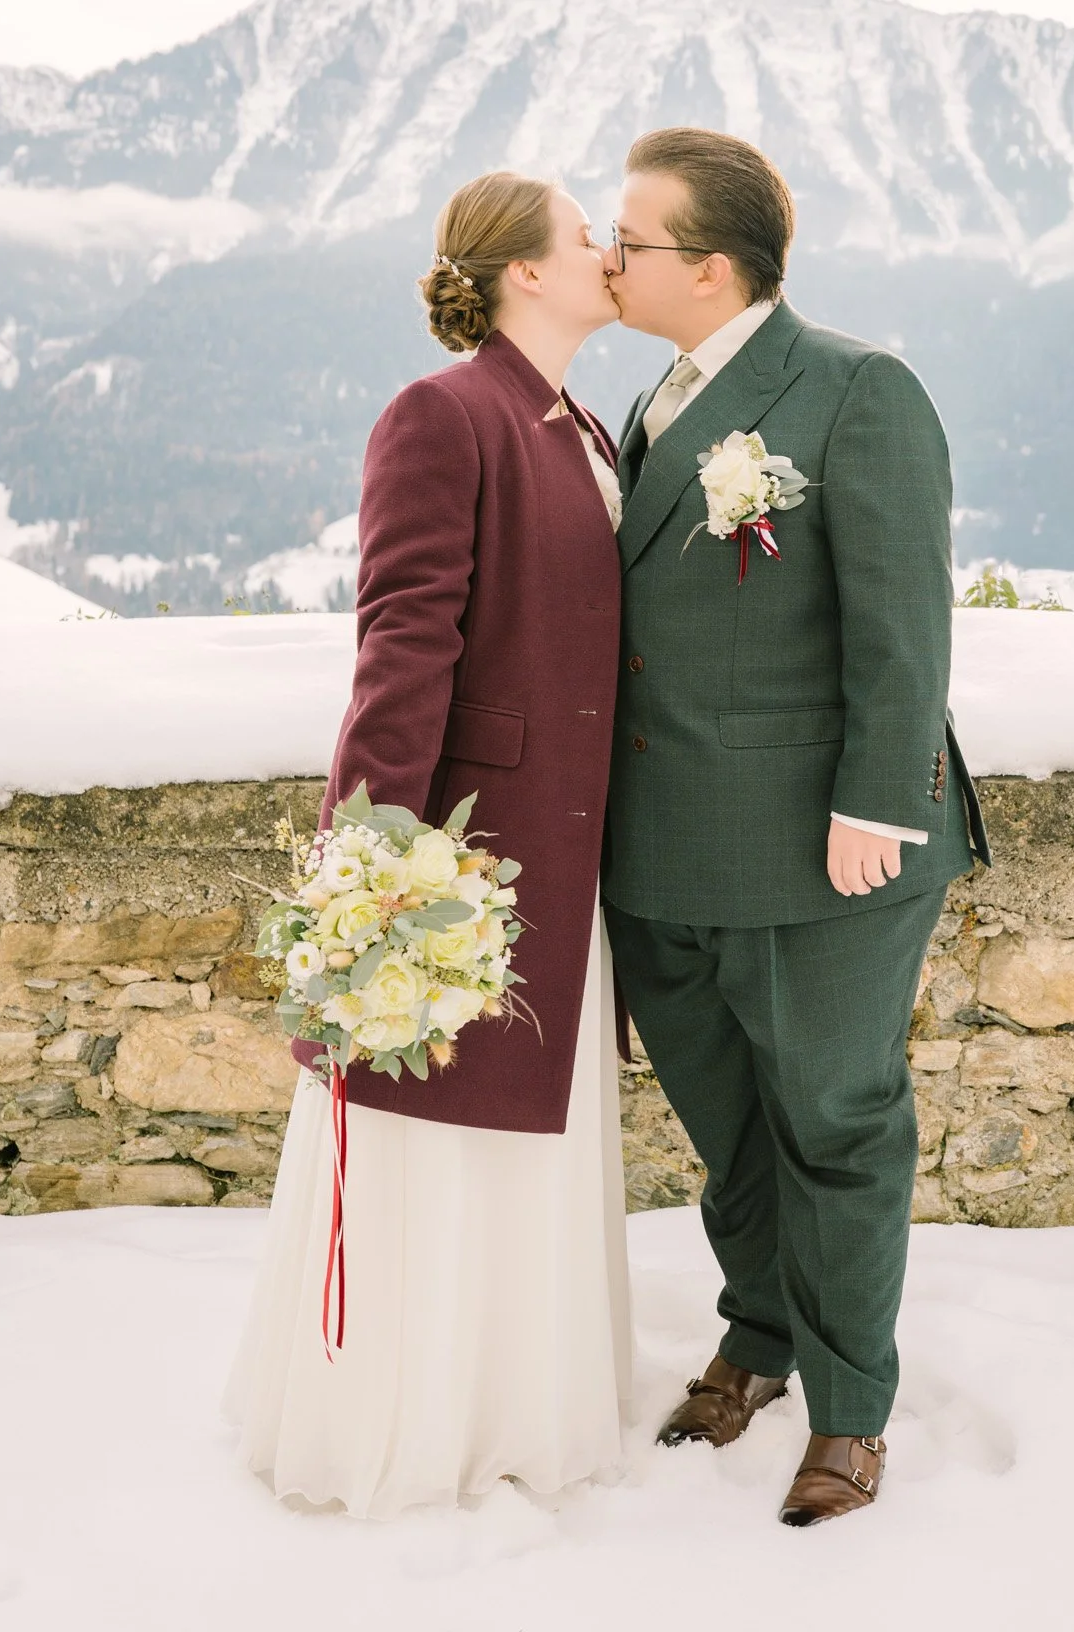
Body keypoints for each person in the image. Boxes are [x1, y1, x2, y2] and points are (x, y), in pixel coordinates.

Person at [224, 172, 633, 1516]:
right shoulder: (444, 414)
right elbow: (403, 646)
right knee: (434, 1148)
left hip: (567, 864)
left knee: (525, 1158)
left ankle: (511, 1404)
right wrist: (372, 871)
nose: (610, 248)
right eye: (588, 236)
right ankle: (403, 1426)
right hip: (469, 867)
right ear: (524, 271)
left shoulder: (579, 424)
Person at [601, 127, 990, 1527]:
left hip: (830, 852)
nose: (606, 255)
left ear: (707, 267)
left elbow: (904, 630)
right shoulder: (653, 400)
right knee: (734, 1134)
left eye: (629, 239)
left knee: (836, 1125)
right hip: (661, 853)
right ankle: (757, 1337)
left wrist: (877, 805)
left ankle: (851, 1412)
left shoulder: (855, 391)